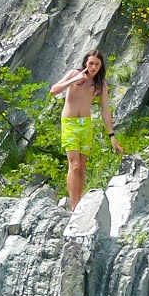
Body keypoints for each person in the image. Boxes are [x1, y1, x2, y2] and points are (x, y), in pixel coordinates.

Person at [48, 50, 123, 209]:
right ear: (85, 63)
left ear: (101, 65)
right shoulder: (74, 74)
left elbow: (105, 111)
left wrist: (112, 136)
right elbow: (53, 90)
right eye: (91, 63)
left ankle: (78, 202)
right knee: (74, 165)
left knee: (82, 165)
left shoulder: (100, 85)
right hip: (69, 123)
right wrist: (73, 80)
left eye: (97, 64)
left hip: (86, 125)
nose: (93, 67)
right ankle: (74, 206)